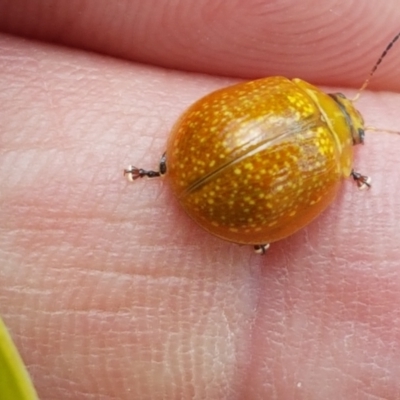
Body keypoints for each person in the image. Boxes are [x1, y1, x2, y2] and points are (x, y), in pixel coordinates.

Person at [1, 1, 400, 398]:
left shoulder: (288, 92)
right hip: (224, 209)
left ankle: (158, 171)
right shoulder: (333, 169)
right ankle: (232, 222)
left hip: (189, 149)